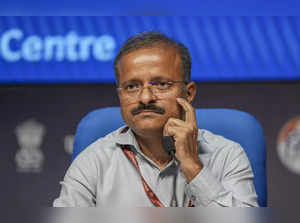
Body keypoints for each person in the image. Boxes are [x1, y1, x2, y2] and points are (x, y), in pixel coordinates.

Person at [53, 32, 258, 207]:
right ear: (120, 95)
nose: (145, 98)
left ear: (189, 92)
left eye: (161, 84)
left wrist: (193, 167)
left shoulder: (227, 156)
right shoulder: (92, 163)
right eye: (132, 87)